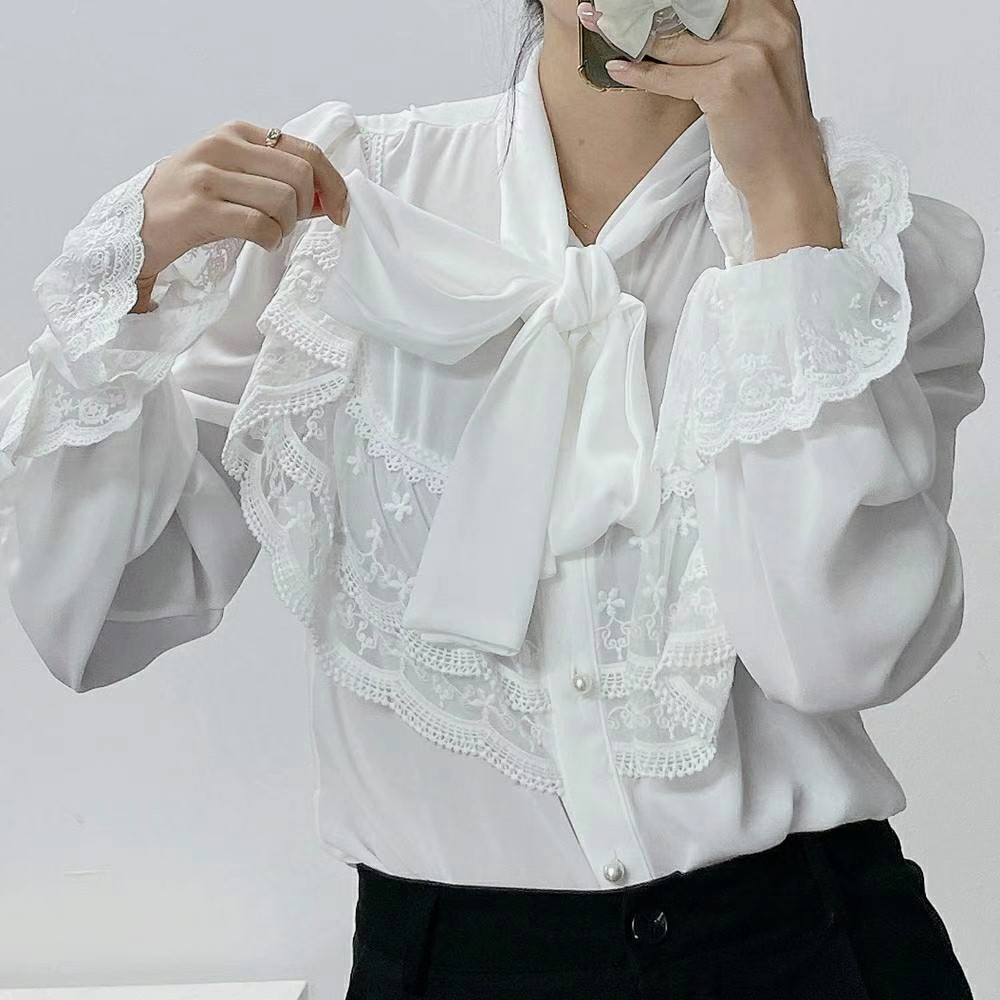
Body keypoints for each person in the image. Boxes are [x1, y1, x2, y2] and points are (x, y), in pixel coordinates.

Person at [0, 0, 985, 997]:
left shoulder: (871, 245)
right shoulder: (343, 207)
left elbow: (838, 652)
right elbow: (100, 614)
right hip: (452, 961)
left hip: (815, 946)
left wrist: (789, 222)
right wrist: (128, 287)